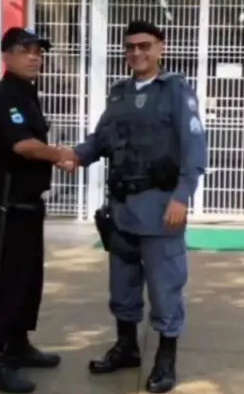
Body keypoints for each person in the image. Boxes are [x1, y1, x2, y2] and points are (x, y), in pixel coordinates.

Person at [61, 20, 207, 394]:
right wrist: (75, 157)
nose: (137, 53)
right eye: (130, 47)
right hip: (122, 209)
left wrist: (181, 196)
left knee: (164, 288)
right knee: (122, 287)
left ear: (161, 48)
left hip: (160, 208)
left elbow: (194, 148)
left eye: (145, 46)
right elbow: (101, 139)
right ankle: (126, 347)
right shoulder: (119, 94)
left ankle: (165, 358)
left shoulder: (176, 91)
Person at [0, 27, 73, 393]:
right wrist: (60, 154)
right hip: (6, 208)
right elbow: (23, 146)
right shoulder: (2, 98)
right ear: (6, 55)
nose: (34, 56)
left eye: (38, 50)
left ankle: (18, 345)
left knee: (28, 280)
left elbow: (35, 143)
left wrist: (55, 153)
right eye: (25, 50)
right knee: (4, 284)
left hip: (28, 205)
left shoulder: (27, 95)